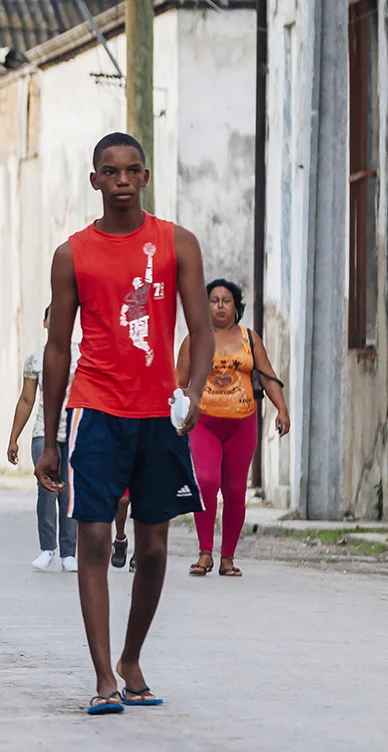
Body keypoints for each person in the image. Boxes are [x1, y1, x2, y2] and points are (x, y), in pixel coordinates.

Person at [37, 132, 214, 716]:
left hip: (159, 416)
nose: (120, 180)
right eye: (109, 171)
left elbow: (202, 328)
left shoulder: (176, 243)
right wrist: (52, 434)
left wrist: (192, 392)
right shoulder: (73, 254)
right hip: (96, 410)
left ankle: (132, 659)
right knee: (92, 537)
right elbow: (58, 348)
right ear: (95, 181)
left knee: (156, 547)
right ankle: (102, 677)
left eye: (130, 170)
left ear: (144, 176)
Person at [178, 278, 289, 578]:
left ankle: (227, 557)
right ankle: (205, 553)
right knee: (206, 480)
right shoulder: (194, 340)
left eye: (226, 301)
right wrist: (174, 418)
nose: (220, 306)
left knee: (236, 489)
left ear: (236, 307)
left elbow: (267, 377)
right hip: (204, 423)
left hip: (243, 423)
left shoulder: (250, 339)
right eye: (214, 301)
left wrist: (282, 409)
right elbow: (179, 383)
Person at [7, 305, 76, 572]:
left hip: (72, 433)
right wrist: (14, 438)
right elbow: (26, 400)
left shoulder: (81, 356)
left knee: (69, 490)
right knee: (46, 490)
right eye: (53, 318)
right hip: (42, 433)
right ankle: (47, 549)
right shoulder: (36, 359)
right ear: (45, 323)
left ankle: (69, 553)